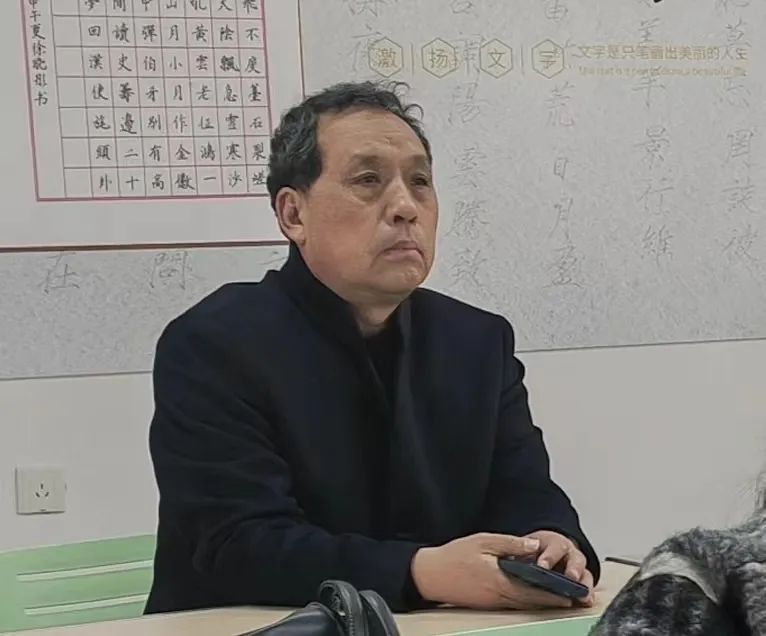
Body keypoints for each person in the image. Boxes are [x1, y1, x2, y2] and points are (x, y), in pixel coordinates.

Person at [145, 81, 600, 615]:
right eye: (368, 180)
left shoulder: (477, 341)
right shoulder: (213, 344)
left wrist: (549, 541)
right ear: (293, 215)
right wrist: (421, 573)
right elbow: (240, 545)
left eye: (420, 181)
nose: (406, 207)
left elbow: (525, 490)